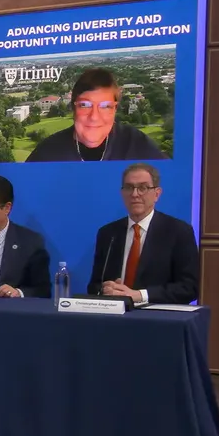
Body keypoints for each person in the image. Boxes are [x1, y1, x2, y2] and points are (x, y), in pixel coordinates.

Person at [87, 163, 199, 305]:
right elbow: (94, 286)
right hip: (114, 318)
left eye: (143, 188)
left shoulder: (179, 232)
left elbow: (189, 288)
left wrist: (139, 295)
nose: (135, 194)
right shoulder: (108, 233)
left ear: (157, 194)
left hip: (157, 319)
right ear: (122, 193)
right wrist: (107, 290)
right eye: (129, 187)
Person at [25, 68, 165, 163]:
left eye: (105, 106)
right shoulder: (47, 153)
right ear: (73, 108)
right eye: (85, 105)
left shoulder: (138, 146)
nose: (94, 117)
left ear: (115, 109)